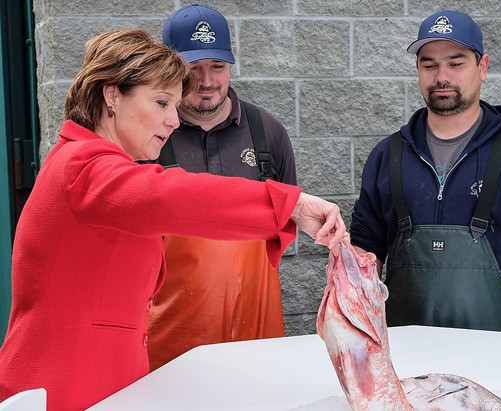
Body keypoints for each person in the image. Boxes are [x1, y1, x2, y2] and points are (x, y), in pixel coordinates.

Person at [0, 29, 345, 411]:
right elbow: (170, 196)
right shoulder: (80, 165)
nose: (173, 120)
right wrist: (288, 205)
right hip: (63, 388)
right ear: (112, 95)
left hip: (110, 385)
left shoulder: (92, 164)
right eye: (162, 102)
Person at [350, 10, 501, 335]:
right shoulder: (388, 154)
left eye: (456, 63)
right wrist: (361, 332)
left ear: (483, 67)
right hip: (408, 352)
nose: (442, 77)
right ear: (418, 70)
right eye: (429, 65)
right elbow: (364, 250)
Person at [145, 4, 297, 371]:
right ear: (172, 70)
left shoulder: (268, 132)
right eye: (193, 69)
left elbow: (289, 220)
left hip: (256, 339)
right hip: (171, 347)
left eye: (217, 66)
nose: (207, 80)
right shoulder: (148, 137)